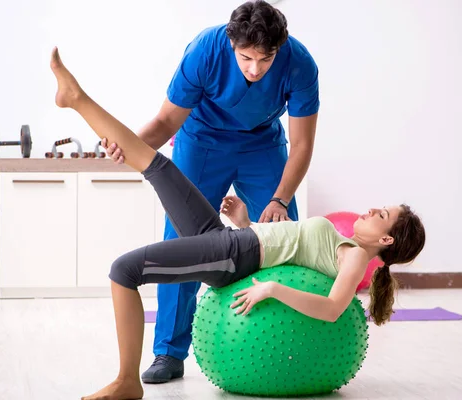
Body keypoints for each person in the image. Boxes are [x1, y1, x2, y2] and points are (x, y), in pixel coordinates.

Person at [50, 45, 426, 400]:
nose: (373, 210)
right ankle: (76, 99)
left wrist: (275, 290)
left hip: (234, 256)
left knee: (124, 270)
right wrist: (246, 223)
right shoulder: (341, 243)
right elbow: (288, 250)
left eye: (382, 216)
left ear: (388, 241)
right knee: (157, 164)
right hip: (236, 242)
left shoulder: (357, 258)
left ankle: (127, 381)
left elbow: (331, 309)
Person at [101, 0, 320, 383]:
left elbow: (301, 145)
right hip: (201, 141)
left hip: (262, 146)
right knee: (183, 244)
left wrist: (279, 199)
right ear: (231, 43)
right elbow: (167, 120)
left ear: (279, 49)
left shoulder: (300, 63)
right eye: (246, 58)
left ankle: (296, 343)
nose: (255, 69)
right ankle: (168, 352)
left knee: (288, 236)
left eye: (265, 60)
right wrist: (129, 146)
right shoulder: (205, 49)